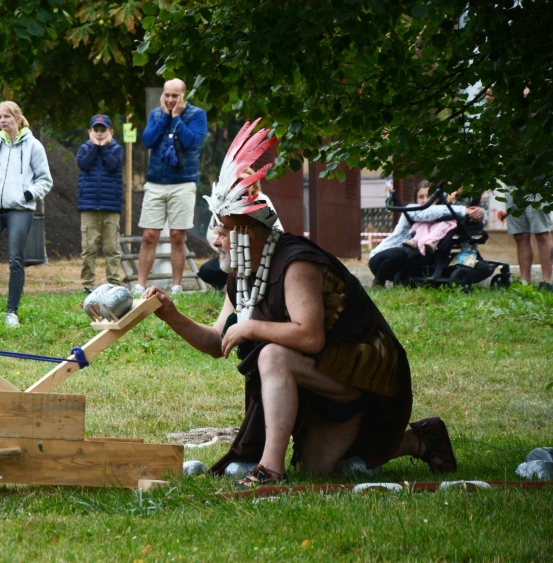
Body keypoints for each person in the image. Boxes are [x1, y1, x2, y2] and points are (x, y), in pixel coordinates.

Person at [143, 120, 457, 486]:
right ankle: (420, 440)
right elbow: (218, 341)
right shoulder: (242, 274)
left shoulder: (296, 264)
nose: (217, 240)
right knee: (316, 470)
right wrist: (171, 314)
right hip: (317, 376)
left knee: (272, 355)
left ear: (248, 232)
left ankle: (270, 469)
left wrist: (251, 327)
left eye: (224, 230)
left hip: (359, 374)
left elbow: (310, 337)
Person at [0, 101, 52, 329]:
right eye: (0, 117)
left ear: (18, 118)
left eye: (7, 116)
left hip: (19, 209)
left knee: (15, 260)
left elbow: (45, 180)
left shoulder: (34, 146)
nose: (3, 120)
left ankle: (11, 312)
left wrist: (28, 194)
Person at [134, 78, 207, 296]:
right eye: (167, 95)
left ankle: (176, 286)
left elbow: (191, 142)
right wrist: (166, 117)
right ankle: (140, 285)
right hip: (155, 182)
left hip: (183, 183)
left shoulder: (197, 115)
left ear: (184, 95)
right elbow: (148, 140)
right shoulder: (156, 114)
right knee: (149, 235)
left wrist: (176, 118)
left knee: (177, 236)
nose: (170, 99)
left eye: (175, 96)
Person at [369, 181, 485, 287]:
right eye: (421, 197)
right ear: (416, 200)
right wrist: (465, 210)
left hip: (406, 262)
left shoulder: (441, 214)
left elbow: (448, 213)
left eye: (429, 196)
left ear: (436, 199)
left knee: (431, 254)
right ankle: (379, 281)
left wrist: (478, 212)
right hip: (381, 259)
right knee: (400, 253)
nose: (425, 200)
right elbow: (429, 213)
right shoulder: (412, 209)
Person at [76, 113, 124, 293]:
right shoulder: (84, 149)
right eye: (95, 130)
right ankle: (87, 284)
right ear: (90, 131)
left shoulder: (117, 150)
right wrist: (95, 147)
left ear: (111, 131)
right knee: (89, 248)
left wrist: (103, 148)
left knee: (112, 248)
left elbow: (113, 166)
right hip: (88, 206)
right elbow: (84, 164)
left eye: (103, 130)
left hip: (111, 206)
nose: (99, 133)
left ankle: (114, 283)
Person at [503, 190, 552, 290]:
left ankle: (547, 282)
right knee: (519, 235)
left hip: (537, 185)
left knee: (542, 233)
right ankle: (525, 282)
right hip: (512, 186)